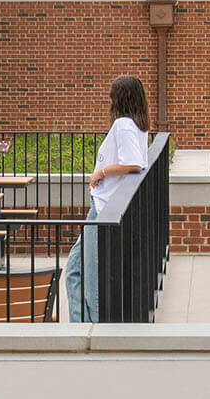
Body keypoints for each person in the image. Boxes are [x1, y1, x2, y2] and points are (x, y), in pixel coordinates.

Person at [63, 75, 149, 323]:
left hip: (103, 209)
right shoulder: (137, 126)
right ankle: (82, 327)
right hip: (102, 207)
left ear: (119, 99)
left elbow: (133, 163)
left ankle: (95, 329)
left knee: (89, 278)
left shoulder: (123, 125)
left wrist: (101, 171)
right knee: (74, 270)